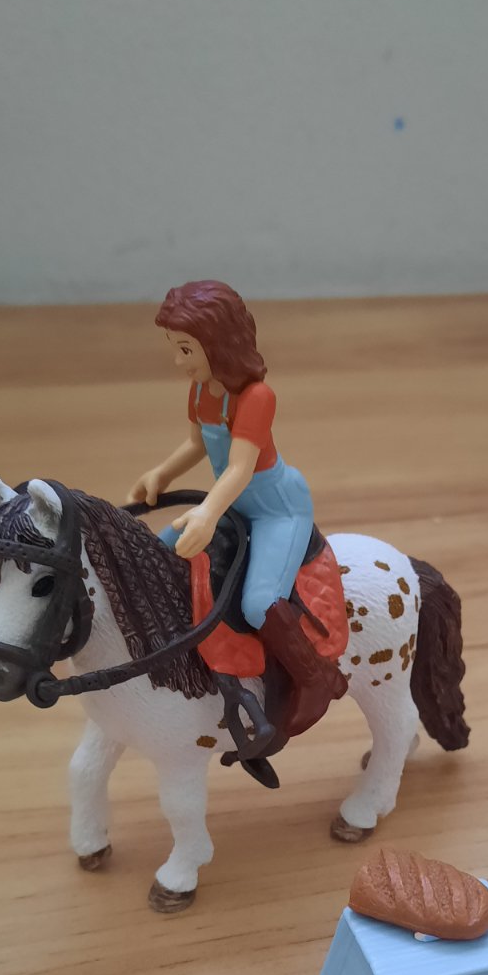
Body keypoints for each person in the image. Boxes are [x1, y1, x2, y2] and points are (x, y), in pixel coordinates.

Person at [128, 280, 346, 737]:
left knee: (259, 601)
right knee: (160, 553)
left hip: (276, 510)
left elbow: (240, 468)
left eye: (186, 350)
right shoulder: (201, 391)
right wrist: (161, 474)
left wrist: (208, 514)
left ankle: (315, 678)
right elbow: (196, 445)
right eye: (176, 349)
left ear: (217, 342)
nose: (179, 362)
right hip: (231, 502)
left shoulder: (256, 398)